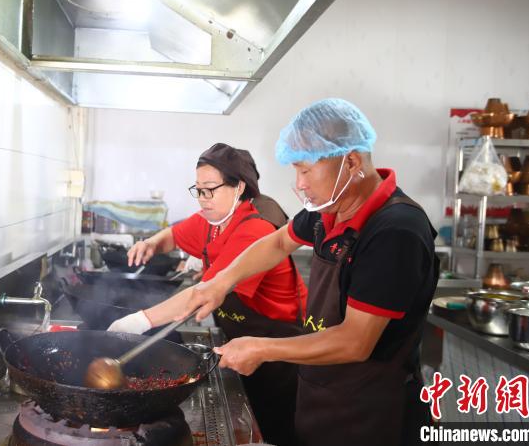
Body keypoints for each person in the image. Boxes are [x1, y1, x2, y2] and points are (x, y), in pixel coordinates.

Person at [177, 99, 439, 446]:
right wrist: (221, 282)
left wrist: (261, 348)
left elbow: (355, 341)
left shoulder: (396, 231)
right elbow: (278, 242)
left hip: (374, 416)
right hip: (323, 398)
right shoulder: (330, 207)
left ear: (351, 162)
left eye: (305, 170)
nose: (299, 184)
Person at [107, 143, 307, 446]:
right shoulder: (215, 219)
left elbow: (201, 294)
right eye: (198, 190)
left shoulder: (255, 227)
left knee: (272, 426)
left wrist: (137, 321)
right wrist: (151, 244)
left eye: (210, 189)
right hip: (241, 337)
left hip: (277, 349)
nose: (202, 198)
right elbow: (174, 235)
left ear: (239, 187)